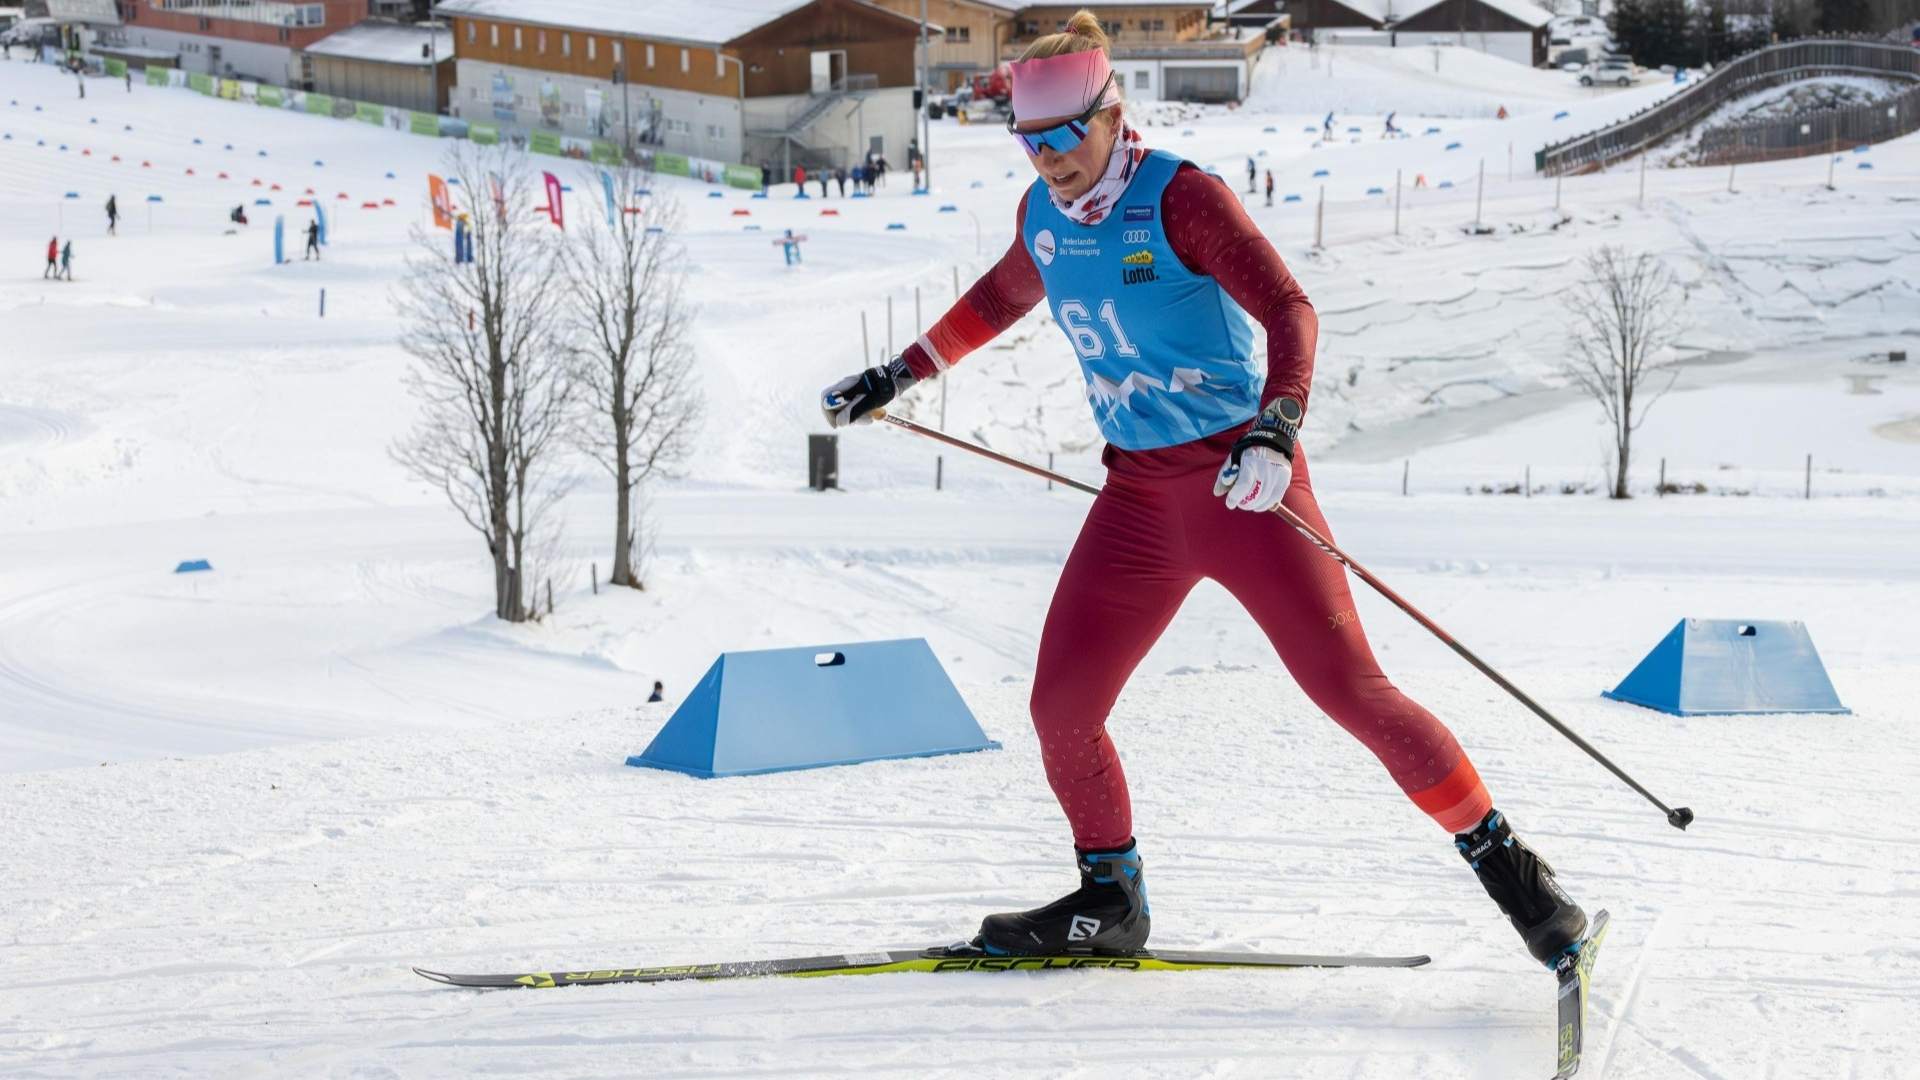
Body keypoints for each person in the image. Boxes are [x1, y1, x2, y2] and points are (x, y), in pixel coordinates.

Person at [819, 10, 1590, 969]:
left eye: (1067, 134)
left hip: (1244, 486)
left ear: (1112, 113)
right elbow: (1002, 296)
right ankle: (1112, 899)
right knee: (1062, 706)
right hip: (1139, 501)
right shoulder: (1044, 217)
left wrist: (1278, 426)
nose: (1051, 159)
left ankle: (1521, 880)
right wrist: (900, 372)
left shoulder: (1180, 198)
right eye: (1030, 140)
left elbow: (1288, 309)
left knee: (1354, 693)